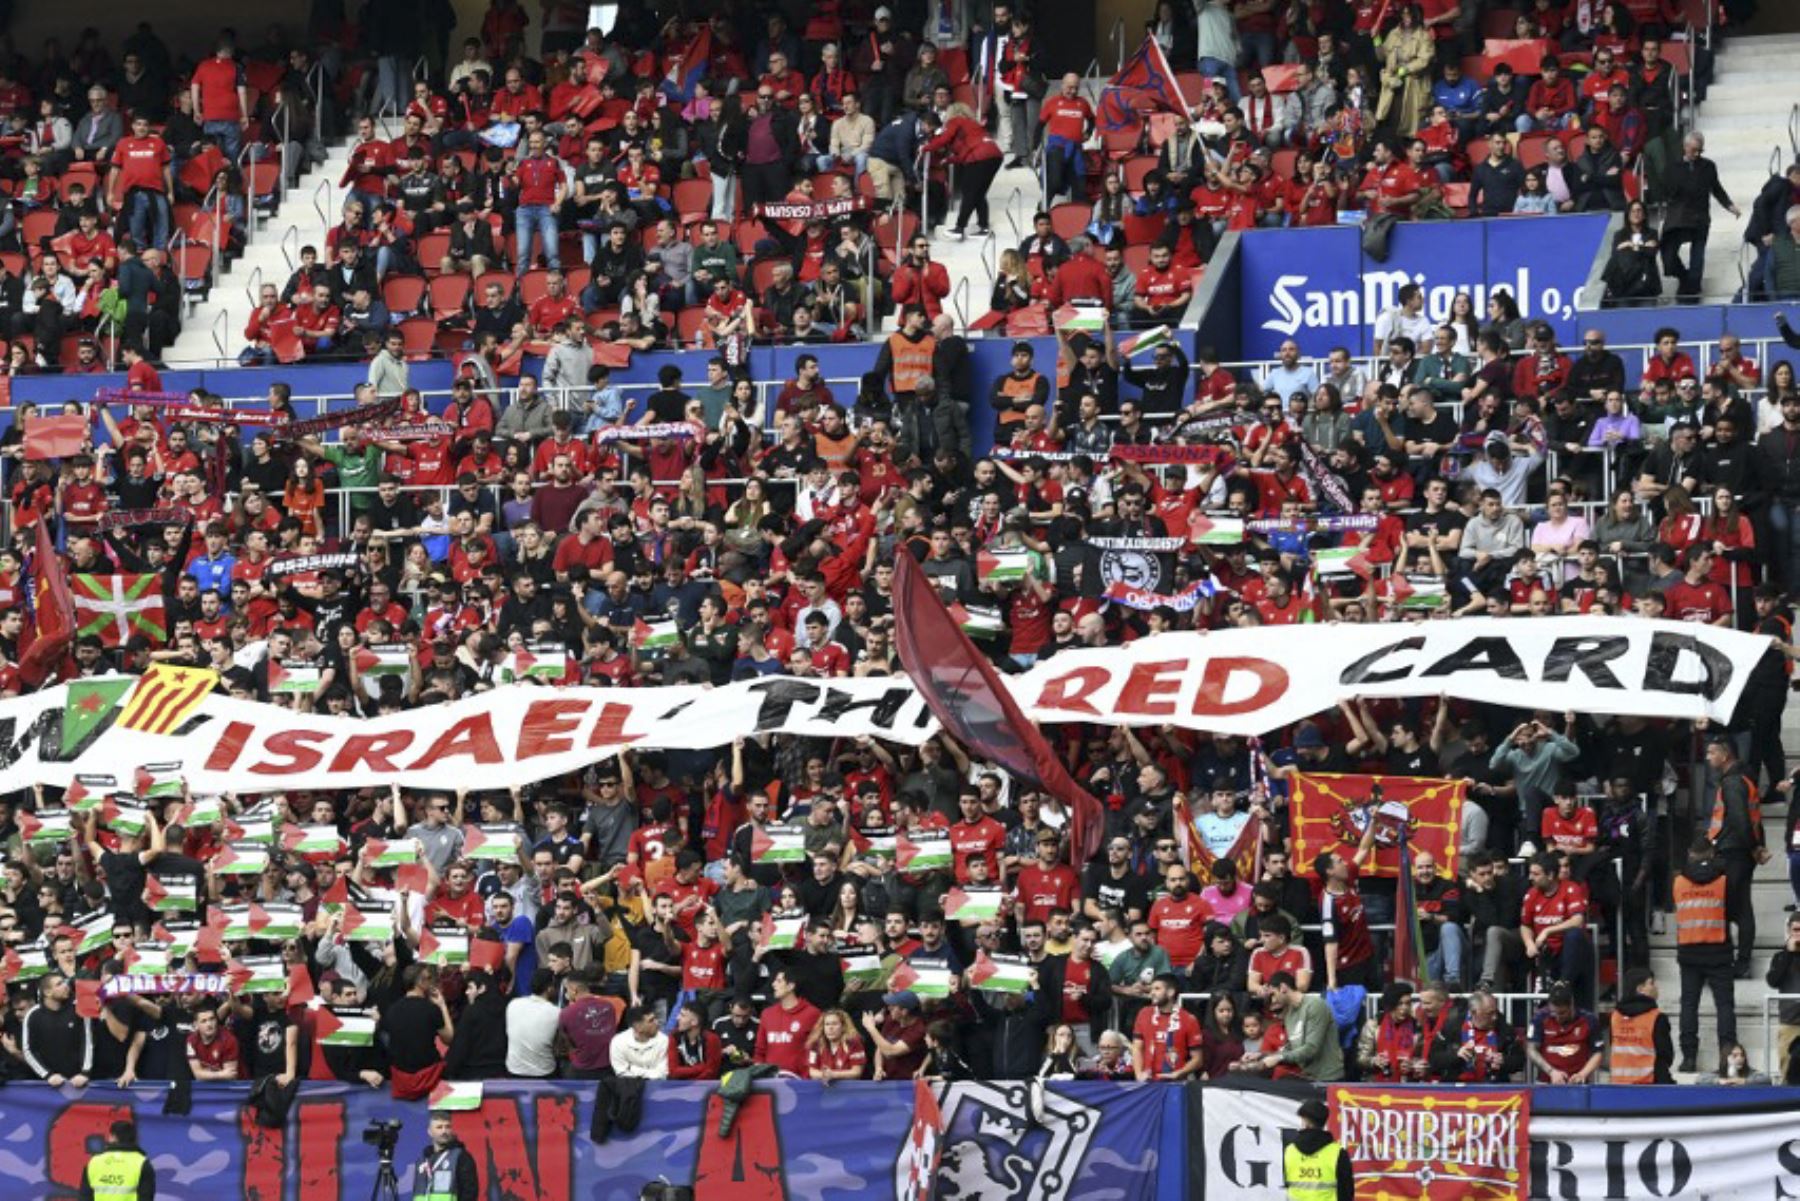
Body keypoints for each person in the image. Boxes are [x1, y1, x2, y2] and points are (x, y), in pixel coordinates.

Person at [1674, 838, 1736, 1073]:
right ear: (1711, 853)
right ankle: (1727, 1058)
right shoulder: (1723, 881)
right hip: (1719, 951)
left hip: (1689, 952)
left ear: (1690, 853)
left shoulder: (1679, 882)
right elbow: (1734, 911)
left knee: (1689, 1005)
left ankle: (1689, 1058)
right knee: (1724, 1006)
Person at [1607, 967, 1674, 1084]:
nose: (1656, 987)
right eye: (1651, 983)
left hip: (1619, 1084)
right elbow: (1665, 1054)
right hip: (1650, 1083)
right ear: (1640, 989)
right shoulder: (1656, 1017)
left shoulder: (1615, 1016)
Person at [1283, 1097, 1352, 1200]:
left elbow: (1287, 1182)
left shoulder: (1290, 1151)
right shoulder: (1338, 1153)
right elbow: (1346, 1192)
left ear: (1305, 1121)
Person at [410, 1110, 478, 1201]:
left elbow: (469, 1194)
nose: (444, 1131)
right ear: (429, 1131)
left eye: (447, 1127)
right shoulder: (422, 1160)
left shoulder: (461, 1157)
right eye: (439, 1127)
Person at [80, 1119, 154, 1201]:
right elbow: (146, 1197)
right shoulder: (142, 1163)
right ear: (134, 1139)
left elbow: (85, 1197)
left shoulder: (94, 1162)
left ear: (113, 1137)